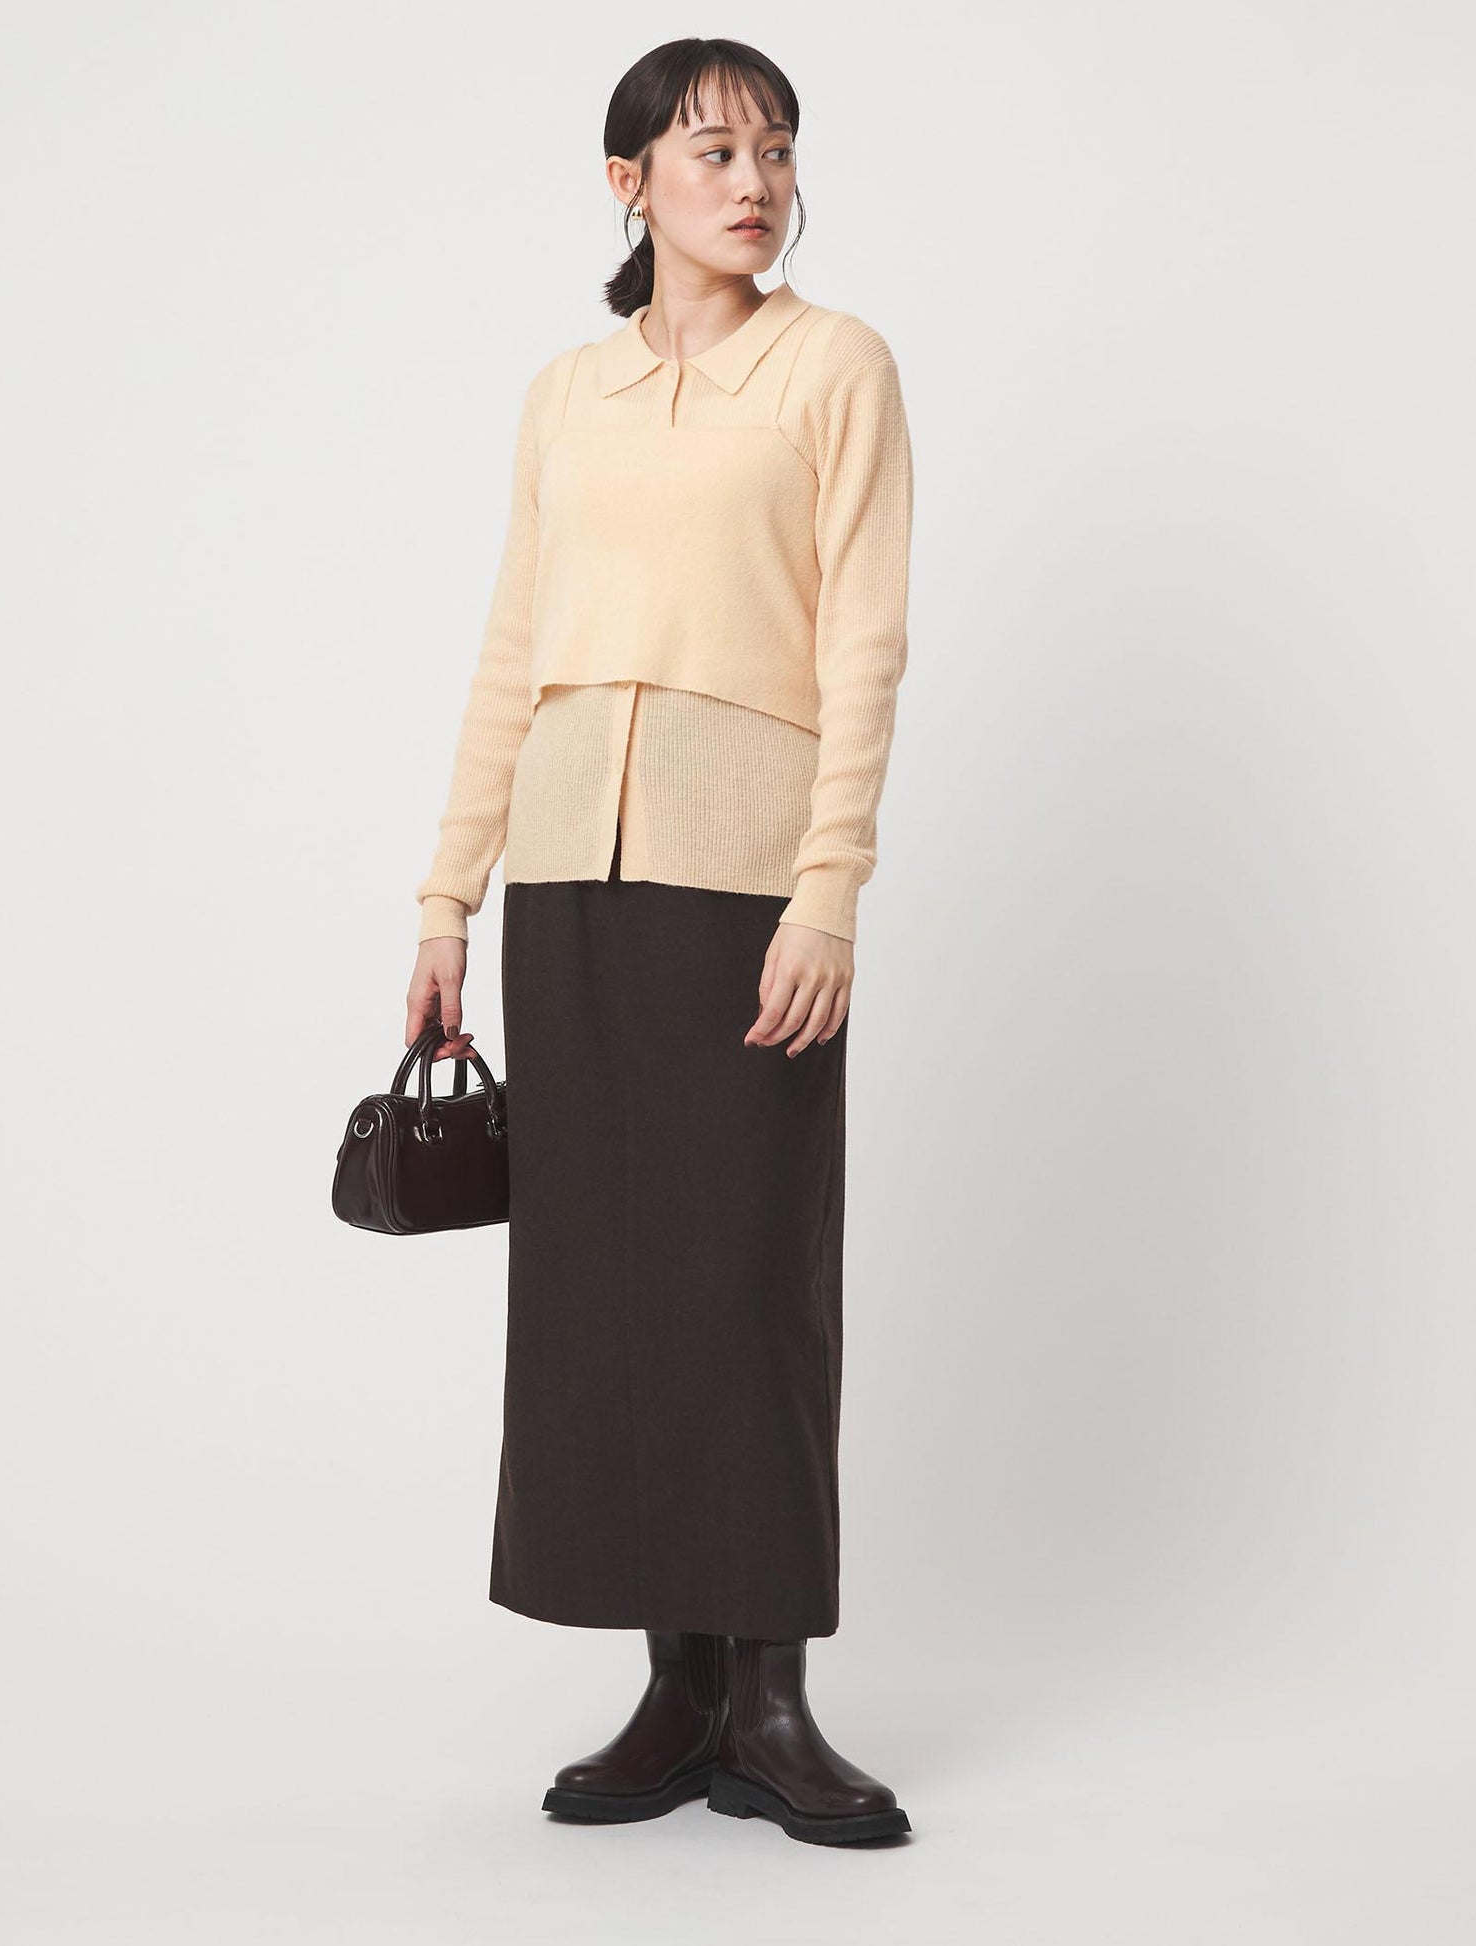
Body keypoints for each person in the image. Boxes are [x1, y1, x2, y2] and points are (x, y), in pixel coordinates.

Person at [402, 38, 915, 1848]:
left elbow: (863, 640)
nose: (754, 180)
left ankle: (770, 1699)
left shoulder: (833, 367)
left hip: (745, 877)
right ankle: (674, 1688)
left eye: (775, 148)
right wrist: (447, 894)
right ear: (627, 182)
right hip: (567, 879)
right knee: (605, 1286)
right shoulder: (567, 394)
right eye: (713, 150)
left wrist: (827, 885)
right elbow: (510, 643)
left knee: (749, 1274)